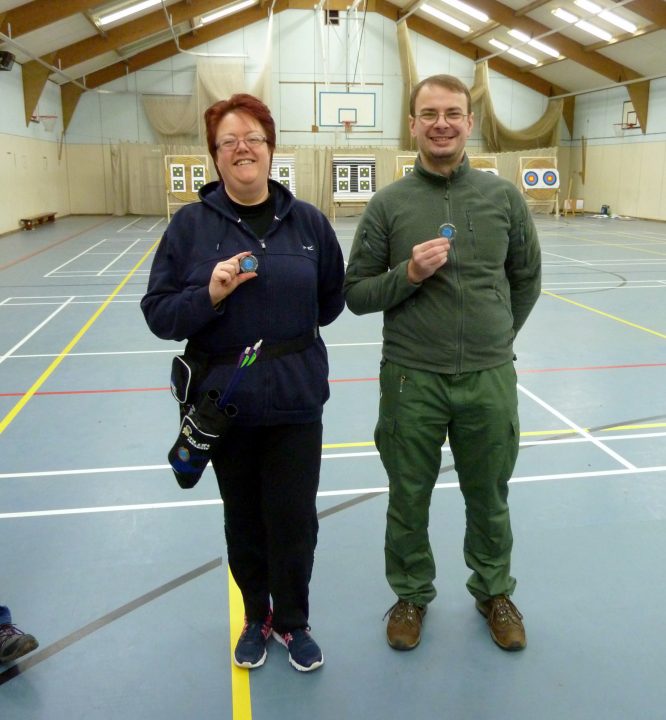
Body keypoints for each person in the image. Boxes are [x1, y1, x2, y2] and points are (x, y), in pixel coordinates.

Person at [141, 93, 345, 672]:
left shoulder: (308, 222)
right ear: (214, 156)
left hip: (297, 402)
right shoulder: (189, 228)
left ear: (271, 148)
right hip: (224, 405)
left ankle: (294, 621)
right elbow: (159, 313)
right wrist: (209, 294)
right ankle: (256, 615)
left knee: (295, 519)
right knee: (244, 518)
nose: (242, 149)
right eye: (229, 141)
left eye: (253, 137)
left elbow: (331, 302)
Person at [344, 74, 541, 653]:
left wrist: (497, 337)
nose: (441, 124)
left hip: (489, 377)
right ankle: (409, 594)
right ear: (412, 125)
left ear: (469, 122)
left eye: (452, 113)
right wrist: (407, 275)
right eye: (429, 113)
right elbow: (355, 294)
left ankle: (494, 592)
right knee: (408, 494)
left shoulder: (503, 197)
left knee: (490, 495)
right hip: (411, 380)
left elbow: (526, 278)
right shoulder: (389, 205)